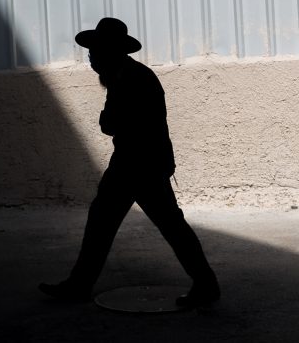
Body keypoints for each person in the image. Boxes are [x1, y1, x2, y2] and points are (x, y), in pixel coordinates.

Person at [39, 17, 219, 308]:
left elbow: (112, 124)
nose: (91, 59)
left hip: (137, 166)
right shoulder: (129, 75)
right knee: (152, 224)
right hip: (139, 164)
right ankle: (206, 284)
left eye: (94, 53)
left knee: (144, 224)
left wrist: (108, 120)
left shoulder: (128, 80)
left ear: (108, 51)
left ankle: (206, 284)